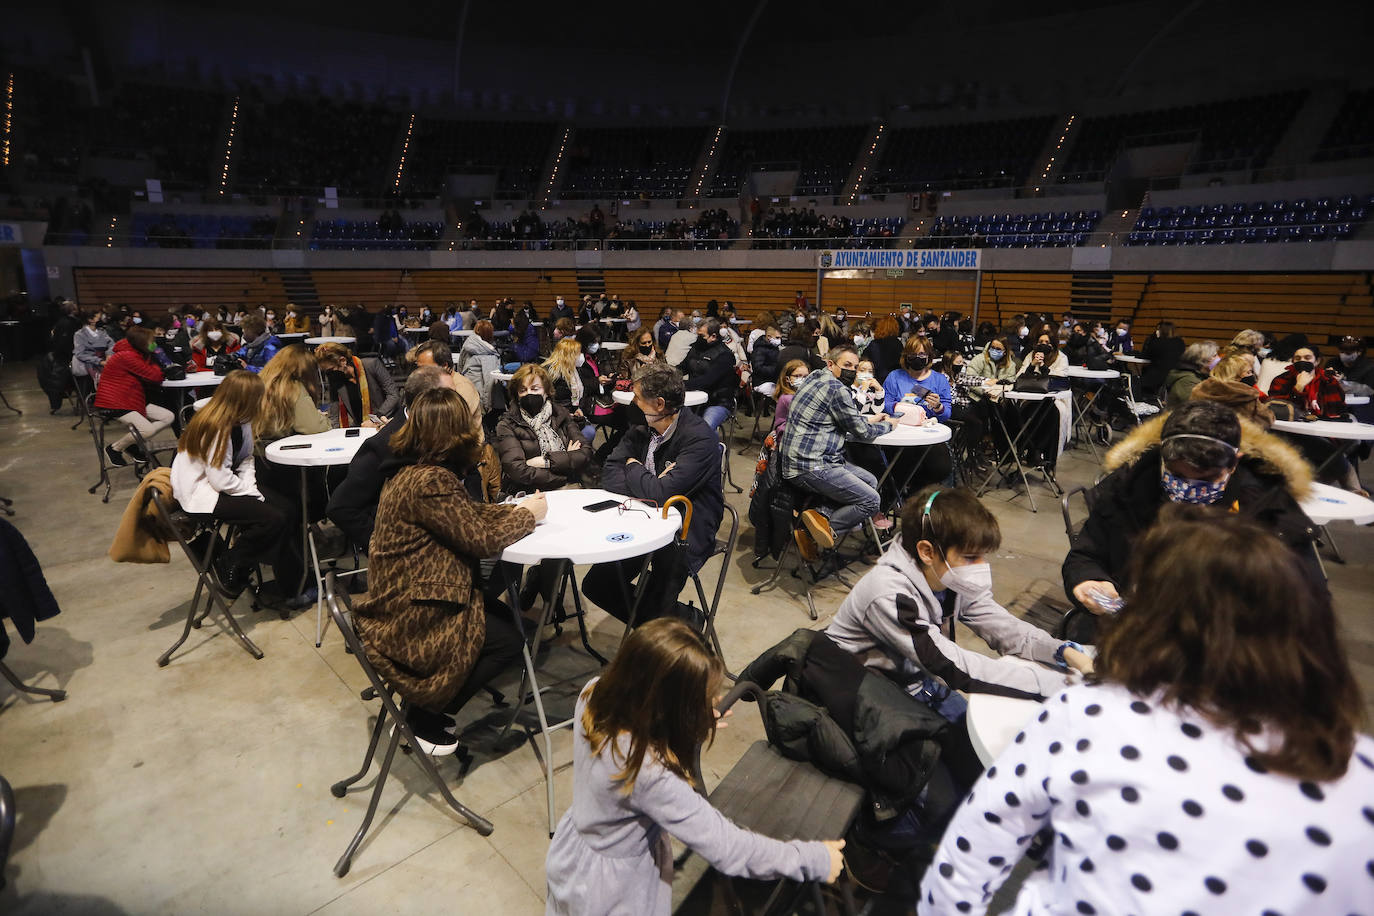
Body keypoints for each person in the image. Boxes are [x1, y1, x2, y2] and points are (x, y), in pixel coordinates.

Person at [924, 510, 1372, 916]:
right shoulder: (1359, 777)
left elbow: (970, 856)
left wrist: (1064, 654)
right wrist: (1065, 667)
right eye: (971, 557)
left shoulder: (1088, 715)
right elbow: (957, 664)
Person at [545, 619, 843, 915]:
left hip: (573, 856)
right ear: (668, 707)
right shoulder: (649, 774)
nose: (714, 699)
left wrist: (684, 723)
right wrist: (814, 858)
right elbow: (730, 848)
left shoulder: (594, 693)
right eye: (700, 697)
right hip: (612, 892)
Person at [353, 387, 545, 754]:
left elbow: (465, 515)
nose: (478, 425)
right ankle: (423, 715)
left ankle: (423, 708)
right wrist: (526, 517)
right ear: (453, 430)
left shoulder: (415, 472)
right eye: (471, 419)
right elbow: (481, 542)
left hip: (414, 593)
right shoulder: (431, 481)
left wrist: (511, 510)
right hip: (412, 612)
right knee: (509, 640)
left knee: (514, 624)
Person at [1063, 399, 1319, 642]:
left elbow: (1305, 604)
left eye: (1206, 478)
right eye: (1176, 474)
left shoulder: (1267, 508)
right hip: (1129, 633)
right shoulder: (1130, 488)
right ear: (1161, 455)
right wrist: (1089, 579)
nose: (1187, 486)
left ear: (1234, 464)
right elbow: (1086, 554)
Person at [581, 362, 724, 625]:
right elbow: (610, 469)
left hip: (685, 528)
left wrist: (633, 468)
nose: (633, 403)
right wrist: (647, 485)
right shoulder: (642, 427)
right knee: (595, 585)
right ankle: (670, 622)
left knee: (658, 607)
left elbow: (662, 495)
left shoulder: (699, 439)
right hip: (639, 518)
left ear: (659, 404)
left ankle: (674, 623)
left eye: (637, 398)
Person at [170, 370, 303, 601]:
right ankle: (232, 563)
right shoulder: (215, 426)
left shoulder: (242, 420)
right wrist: (249, 493)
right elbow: (218, 479)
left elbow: (247, 458)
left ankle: (289, 581)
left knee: (289, 508)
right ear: (245, 399)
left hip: (225, 483)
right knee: (273, 518)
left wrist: (249, 487)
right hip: (200, 492)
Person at [778, 344, 892, 556]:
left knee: (870, 481)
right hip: (810, 465)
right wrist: (889, 425)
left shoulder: (814, 377)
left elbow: (843, 419)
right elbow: (862, 431)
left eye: (855, 367)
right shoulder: (837, 389)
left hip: (804, 459)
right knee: (871, 500)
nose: (852, 370)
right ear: (830, 364)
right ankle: (816, 532)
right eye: (847, 365)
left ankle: (820, 517)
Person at [327, 367, 457, 551]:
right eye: (450, 394)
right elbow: (342, 507)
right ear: (427, 401)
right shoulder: (383, 445)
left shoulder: (450, 430)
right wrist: (389, 546)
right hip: (413, 561)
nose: (457, 400)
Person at [494, 364, 588, 492]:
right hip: (529, 492)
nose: (529, 394)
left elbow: (585, 453)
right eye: (523, 390)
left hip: (566, 489)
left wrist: (545, 462)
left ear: (546, 391)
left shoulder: (561, 414)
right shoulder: (507, 424)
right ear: (516, 395)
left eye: (535, 389)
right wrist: (566, 462)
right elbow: (517, 469)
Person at [93, 325, 175, 467]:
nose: (153, 343)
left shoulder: (136, 353)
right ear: (142, 343)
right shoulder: (127, 356)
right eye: (151, 341)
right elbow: (154, 376)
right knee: (147, 430)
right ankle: (115, 448)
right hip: (115, 401)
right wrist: (157, 358)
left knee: (168, 416)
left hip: (132, 398)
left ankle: (133, 444)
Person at [255, 345, 330, 449]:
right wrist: (322, 418)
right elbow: (313, 427)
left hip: (256, 451)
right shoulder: (294, 388)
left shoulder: (260, 382)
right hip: (282, 454)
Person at [314, 341, 400, 427]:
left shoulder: (372, 365)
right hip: (360, 425)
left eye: (330, 370)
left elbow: (393, 395)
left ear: (343, 361)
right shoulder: (335, 379)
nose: (328, 375)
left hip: (385, 420)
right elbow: (334, 414)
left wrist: (374, 419)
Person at [683, 318, 737, 433]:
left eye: (701, 336)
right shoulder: (695, 348)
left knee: (704, 430)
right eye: (697, 335)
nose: (698, 339)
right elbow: (682, 367)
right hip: (694, 399)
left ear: (713, 336)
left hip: (718, 402)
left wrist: (680, 384)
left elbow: (707, 381)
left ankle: (717, 449)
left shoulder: (725, 355)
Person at [543, 338, 592, 440]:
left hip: (571, 414)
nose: (581, 357)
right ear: (569, 356)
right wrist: (566, 414)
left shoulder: (574, 370)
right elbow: (550, 402)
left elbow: (581, 394)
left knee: (589, 432)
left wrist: (578, 408)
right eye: (578, 354)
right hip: (556, 418)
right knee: (589, 433)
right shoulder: (554, 375)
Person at [456, 319, 501, 414]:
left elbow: (460, 367)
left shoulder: (467, 345)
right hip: (478, 398)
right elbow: (489, 383)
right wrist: (487, 407)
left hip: (464, 391)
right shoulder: (489, 355)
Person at [71, 308, 114, 400]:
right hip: (88, 362)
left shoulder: (102, 332)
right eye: (98, 317)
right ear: (90, 320)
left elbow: (111, 344)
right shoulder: (79, 334)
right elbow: (80, 353)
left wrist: (109, 354)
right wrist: (99, 361)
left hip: (104, 359)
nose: (101, 319)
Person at [1164, 340, 1219, 407]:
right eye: (1214, 355)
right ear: (1203, 359)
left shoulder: (1201, 376)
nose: (1218, 359)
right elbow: (1196, 405)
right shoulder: (1187, 380)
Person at [1139, 319, 1184, 396]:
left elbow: (1146, 355)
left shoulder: (1157, 342)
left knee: (1142, 376)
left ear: (1161, 331)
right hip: (1175, 374)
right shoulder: (1180, 342)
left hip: (1158, 375)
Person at [771, 359, 811, 437]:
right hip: (786, 436)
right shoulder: (787, 398)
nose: (802, 379)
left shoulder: (800, 394)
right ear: (787, 379)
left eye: (806, 376)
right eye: (797, 376)